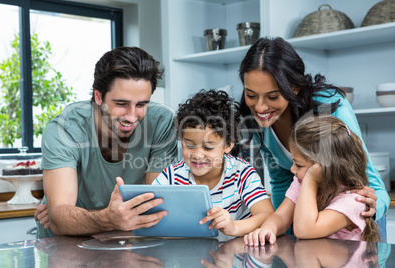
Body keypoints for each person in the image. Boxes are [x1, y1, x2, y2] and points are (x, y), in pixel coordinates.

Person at [238, 37, 389, 239]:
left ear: (295, 87)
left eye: (273, 96)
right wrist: (279, 234)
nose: (260, 107)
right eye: (251, 95)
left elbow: (364, 172)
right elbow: (280, 182)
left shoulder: (329, 105)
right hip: (309, 224)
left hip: (355, 223)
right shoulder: (258, 122)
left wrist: (372, 207)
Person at [35, 46, 178, 238]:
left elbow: (155, 207)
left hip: (125, 243)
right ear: (98, 96)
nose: (132, 116)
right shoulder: (64, 129)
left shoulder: (162, 122)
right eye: (121, 104)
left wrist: (78, 216)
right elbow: (60, 220)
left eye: (142, 104)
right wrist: (106, 219)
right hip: (66, 248)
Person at [152, 89, 274, 238]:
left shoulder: (242, 174)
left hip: (236, 255)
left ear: (228, 145)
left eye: (208, 147)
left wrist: (233, 227)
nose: (197, 155)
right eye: (189, 145)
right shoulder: (172, 176)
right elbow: (151, 215)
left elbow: (267, 215)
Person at [244, 115, 381, 246]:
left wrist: (310, 178)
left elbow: (305, 230)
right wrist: (268, 229)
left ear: (325, 168)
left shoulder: (353, 201)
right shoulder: (300, 183)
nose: (292, 169)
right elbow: (281, 217)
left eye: (299, 165)